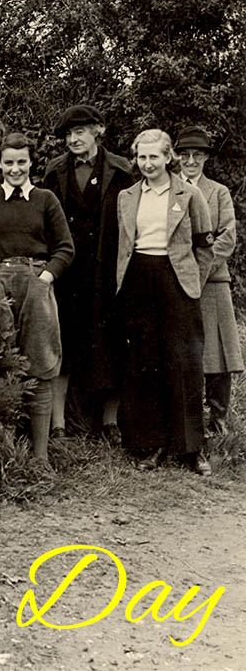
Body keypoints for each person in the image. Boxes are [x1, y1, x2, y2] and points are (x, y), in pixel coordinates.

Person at [0, 133, 75, 465]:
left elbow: (65, 248)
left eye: (21, 162)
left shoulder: (46, 199)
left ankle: (40, 457)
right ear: (0, 163)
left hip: (36, 282)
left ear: (30, 163)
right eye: (8, 162)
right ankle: (1, 452)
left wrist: (44, 279)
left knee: (40, 364)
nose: (14, 168)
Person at [116, 129, 213, 475]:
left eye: (154, 157)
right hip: (139, 277)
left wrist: (191, 284)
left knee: (185, 362)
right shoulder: (127, 196)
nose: (147, 164)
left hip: (177, 281)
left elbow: (205, 246)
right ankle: (152, 444)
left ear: (168, 157)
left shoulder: (189, 194)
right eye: (142, 157)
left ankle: (191, 448)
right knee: (147, 360)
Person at [43, 105, 132, 440]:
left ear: (98, 130)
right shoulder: (54, 171)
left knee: (111, 342)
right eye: (68, 134)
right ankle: (59, 424)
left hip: (108, 270)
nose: (73, 139)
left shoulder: (121, 170)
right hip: (67, 271)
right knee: (63, 342)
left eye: (79, 131)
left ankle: (110, 421)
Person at [174, 126, 242, 437]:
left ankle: (219, 421)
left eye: (197, 155)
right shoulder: (169, 191)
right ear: (176, 157)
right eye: (185, 155)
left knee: (219, 354)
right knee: (184, 353)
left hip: (212, 282)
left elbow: (226, 239)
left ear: (205, 159)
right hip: (176, 283)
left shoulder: (218, 192)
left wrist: (200, 272)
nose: (190, 161)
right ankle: (186, 423)